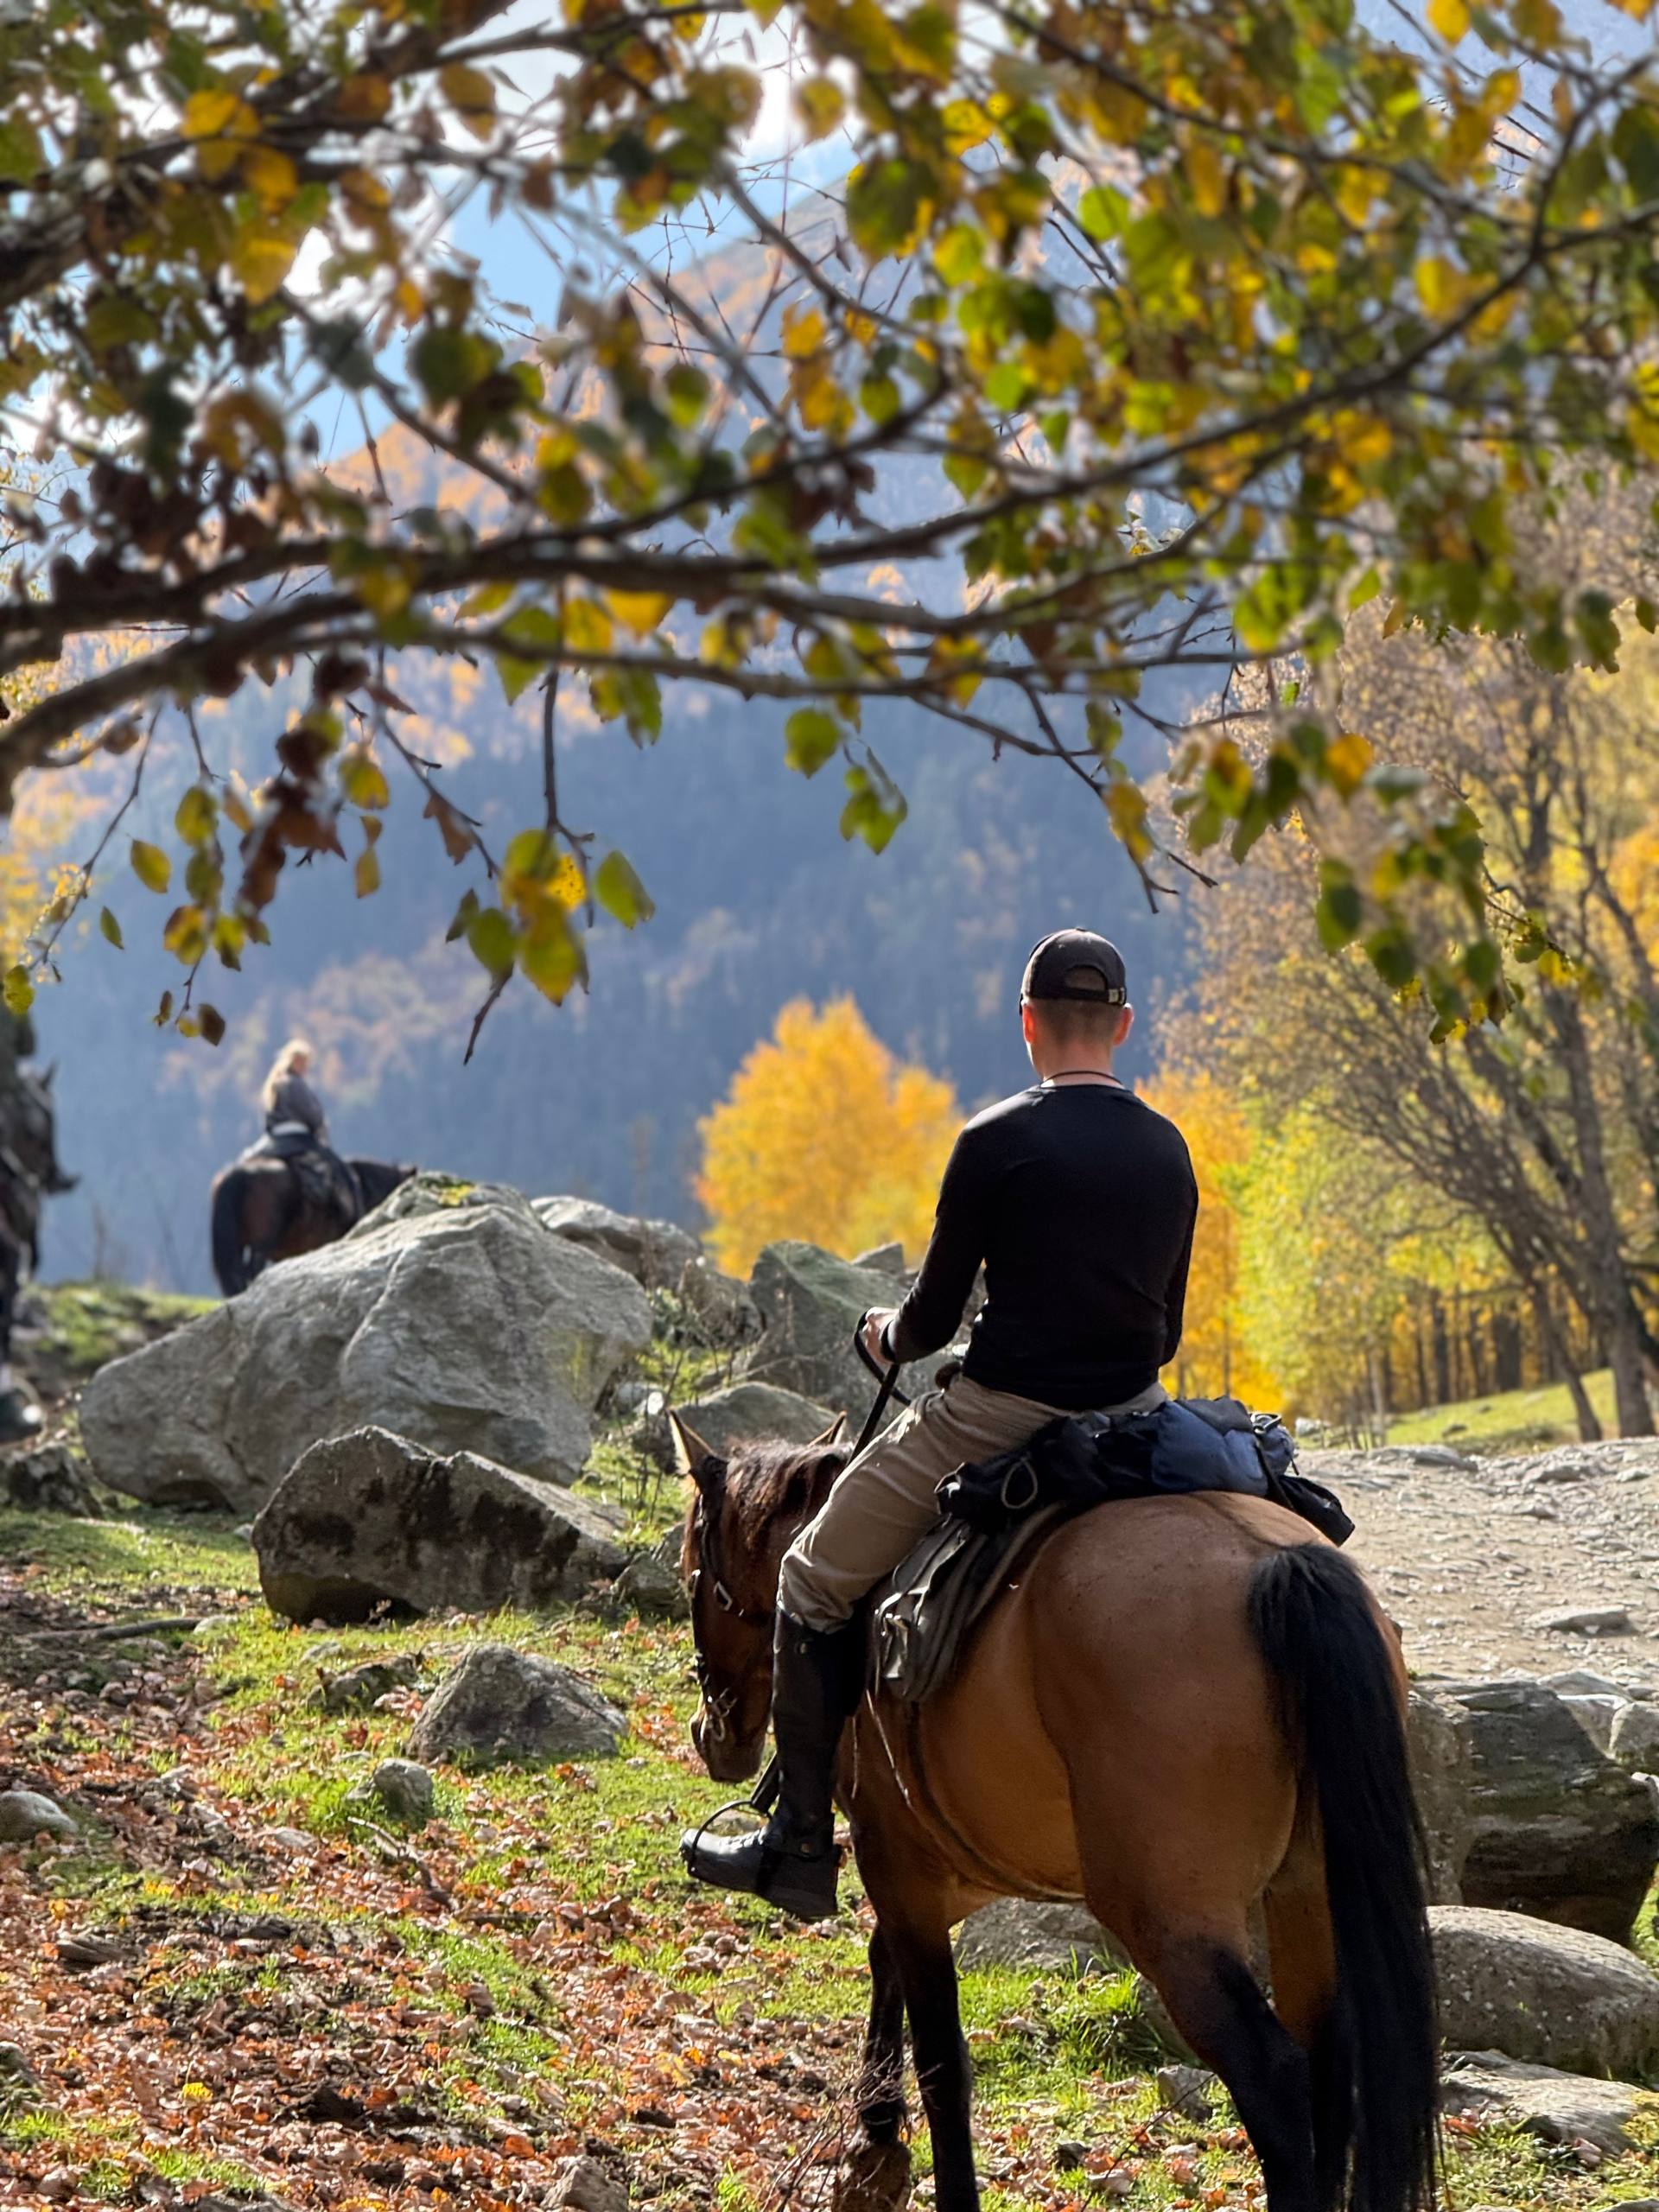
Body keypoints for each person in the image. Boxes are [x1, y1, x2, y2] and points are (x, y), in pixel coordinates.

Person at [683, 929, 1199, 1920]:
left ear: (1028, 1025)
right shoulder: (1168, 1147)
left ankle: (796, 1843)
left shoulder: (996, 1141)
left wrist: (887, 1331)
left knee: (810, 1576)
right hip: (1138, 1415)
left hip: (998, 1414)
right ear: (1125, 1027)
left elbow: (927, 1323)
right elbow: (1166, 1330)